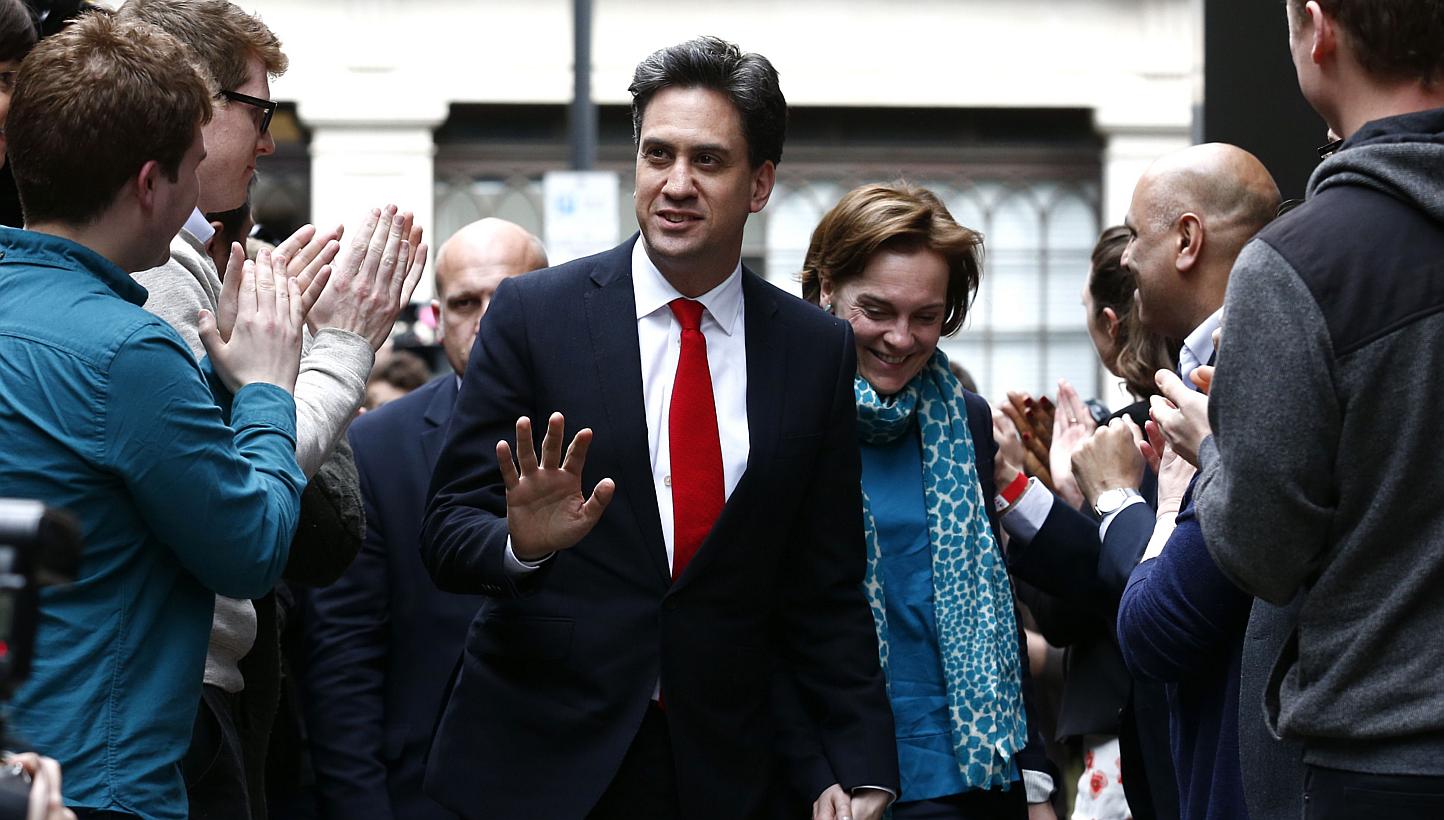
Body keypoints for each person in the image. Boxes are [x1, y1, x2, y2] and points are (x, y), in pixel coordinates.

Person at [420, 36, 898, 820]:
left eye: (708, 161)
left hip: (728, 766)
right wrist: (523, 543)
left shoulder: (814, 350)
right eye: (657, 155)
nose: (676, 184)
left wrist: (862, 759)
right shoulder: (535, 316)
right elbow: (445, 528)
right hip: (540, 763)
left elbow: (826, 586)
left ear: (760, 182)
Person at [116, 2, 427, 816]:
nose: (269, 141)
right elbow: (244, 514)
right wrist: (336, 347)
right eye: (257, 111)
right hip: (171, 704)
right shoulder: (152, 272)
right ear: (191, 104)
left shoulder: (193, 260)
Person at [0, 13, 310, 818]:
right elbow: (249, 548)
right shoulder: (128, 353)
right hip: (96, 780)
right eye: (192, 167)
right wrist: (269, 389)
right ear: (150, 184)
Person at [1191, 1, 1444, 816]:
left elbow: (1260, 550)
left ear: (1315, 24)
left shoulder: (1301, 265)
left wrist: (1211, 451)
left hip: (1383, 758)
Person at [798, 181, 1057, 819]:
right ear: (826, 288)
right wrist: (812, 768)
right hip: (844, 777)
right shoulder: (784, 413)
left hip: (975, 773)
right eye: (877, 310)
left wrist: (1038, 779)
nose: (901, 338)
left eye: (926, 316)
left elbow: (996, 602)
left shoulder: (964, 420)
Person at [304, 218, 547, 820]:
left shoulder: (616, 429)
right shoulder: (377, 446)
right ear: (438, 318)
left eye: (509, 297)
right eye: (466, 302)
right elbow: (343, 658)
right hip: (423, 791)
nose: (488, 318)